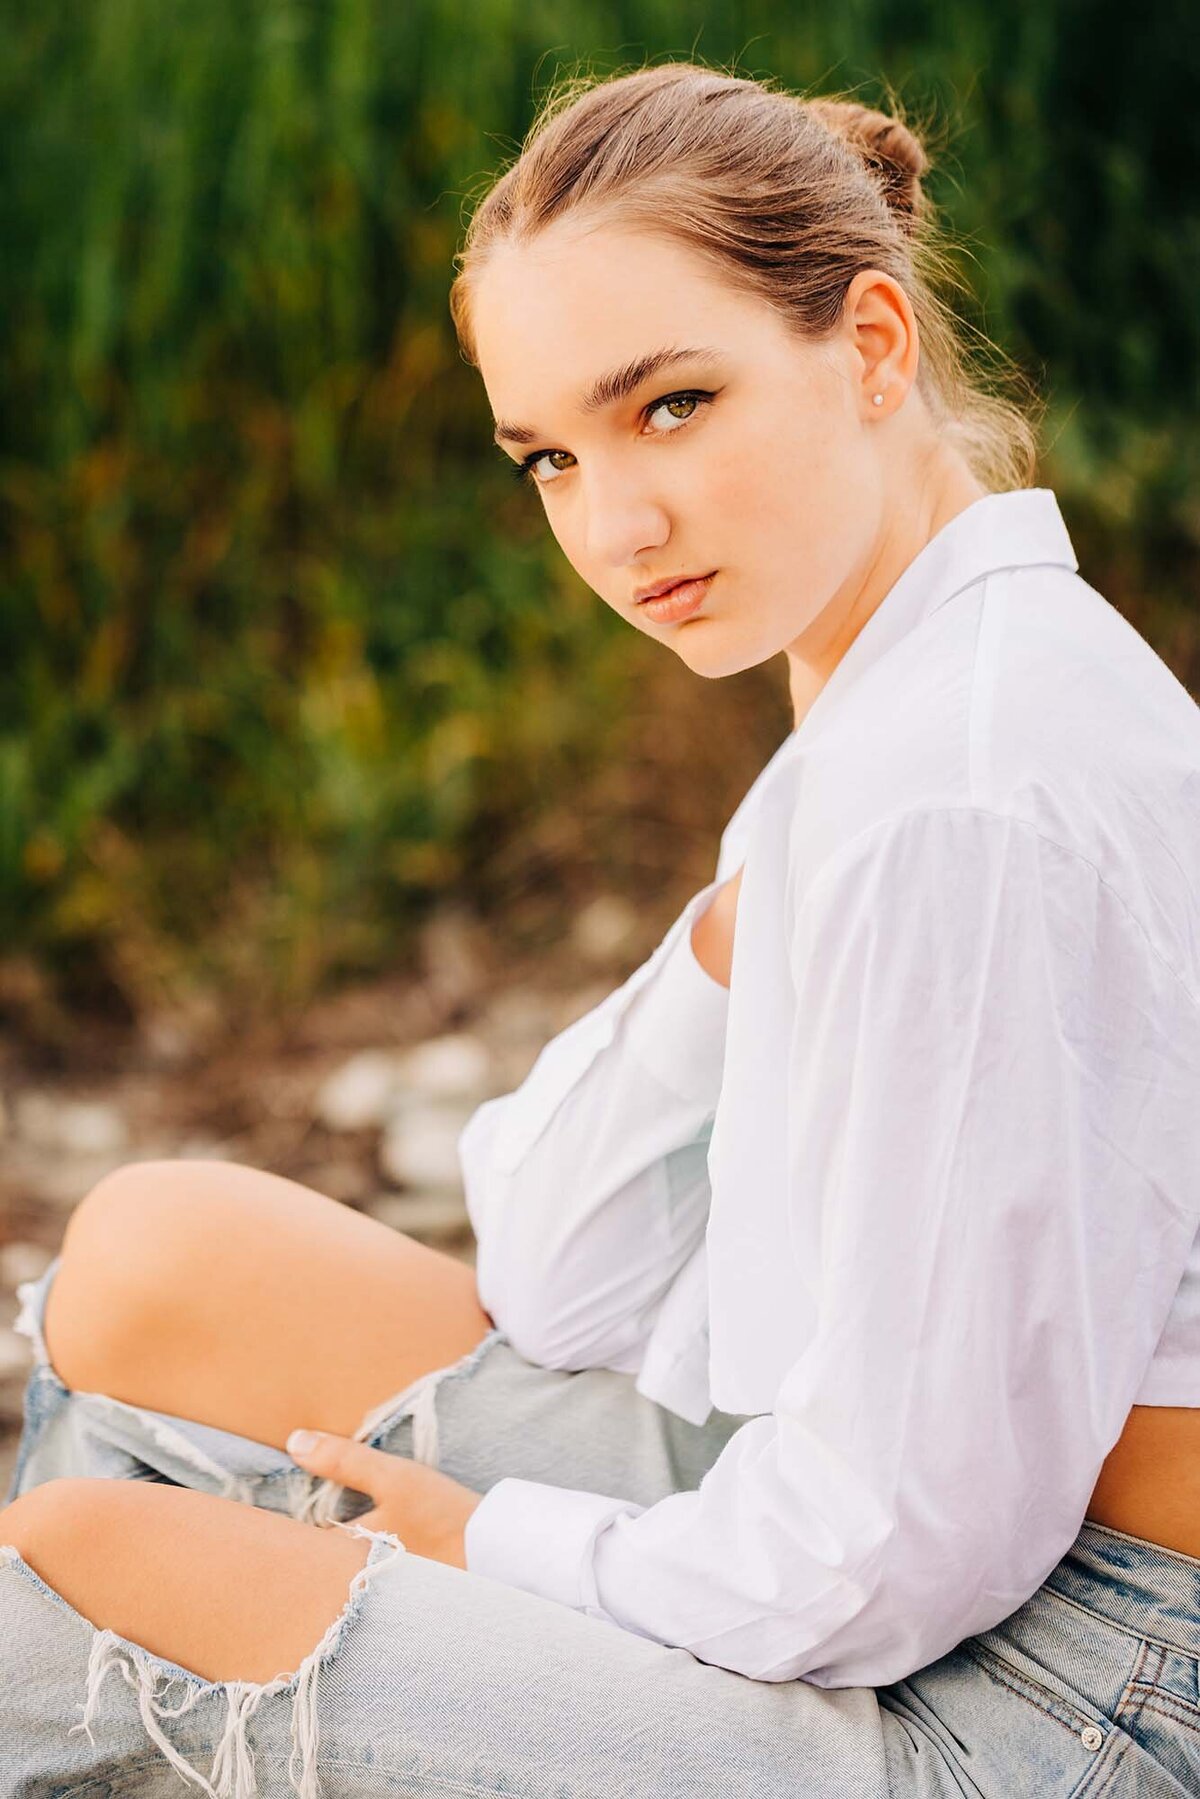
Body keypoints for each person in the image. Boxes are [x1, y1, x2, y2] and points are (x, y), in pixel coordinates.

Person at [3, 56, 1199, 1799]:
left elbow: (904, 1545)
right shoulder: (902, 706)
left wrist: (498, 1546)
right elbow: (556, 1267)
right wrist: (733, 941)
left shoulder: (959, 787)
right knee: (154, 1260)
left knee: (72, 1583)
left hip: (1088, 1683)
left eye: (673, 408)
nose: (616, 527)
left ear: (871, 347)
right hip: (953, 1556)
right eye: (552, 455)